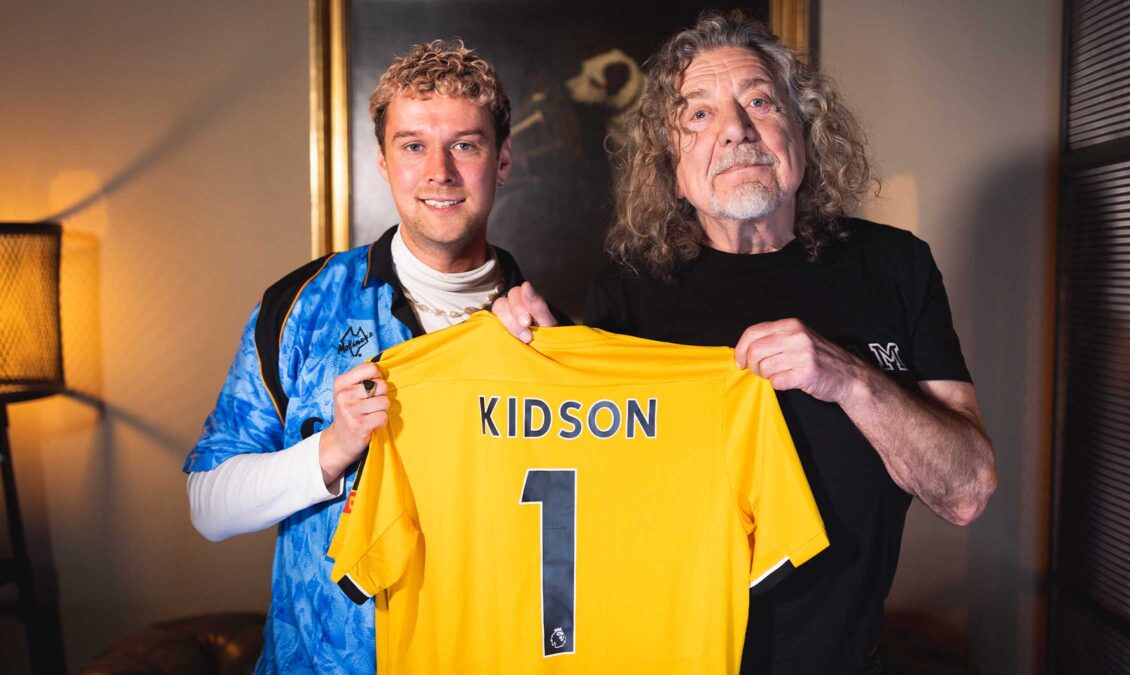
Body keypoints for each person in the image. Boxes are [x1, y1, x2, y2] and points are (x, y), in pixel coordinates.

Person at [494, 12, 997, 673]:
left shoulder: (896, 267)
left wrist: (849, 378)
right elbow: (601, 509)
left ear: (803, 132)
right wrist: (554, 368)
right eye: (698, 115)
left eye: (759, 100)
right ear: (672, 167)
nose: (735, 128)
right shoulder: (630, 292)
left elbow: (967, 490)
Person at [183, 40, 558, 673]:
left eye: (465, 144)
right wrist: (331, 449)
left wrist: (552, 381)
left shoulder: (554, 335)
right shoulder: (300, 306)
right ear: (383, 161)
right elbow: (207, 507)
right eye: (413, 145)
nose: (439, 171)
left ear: (503, 161)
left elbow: (568, 554)